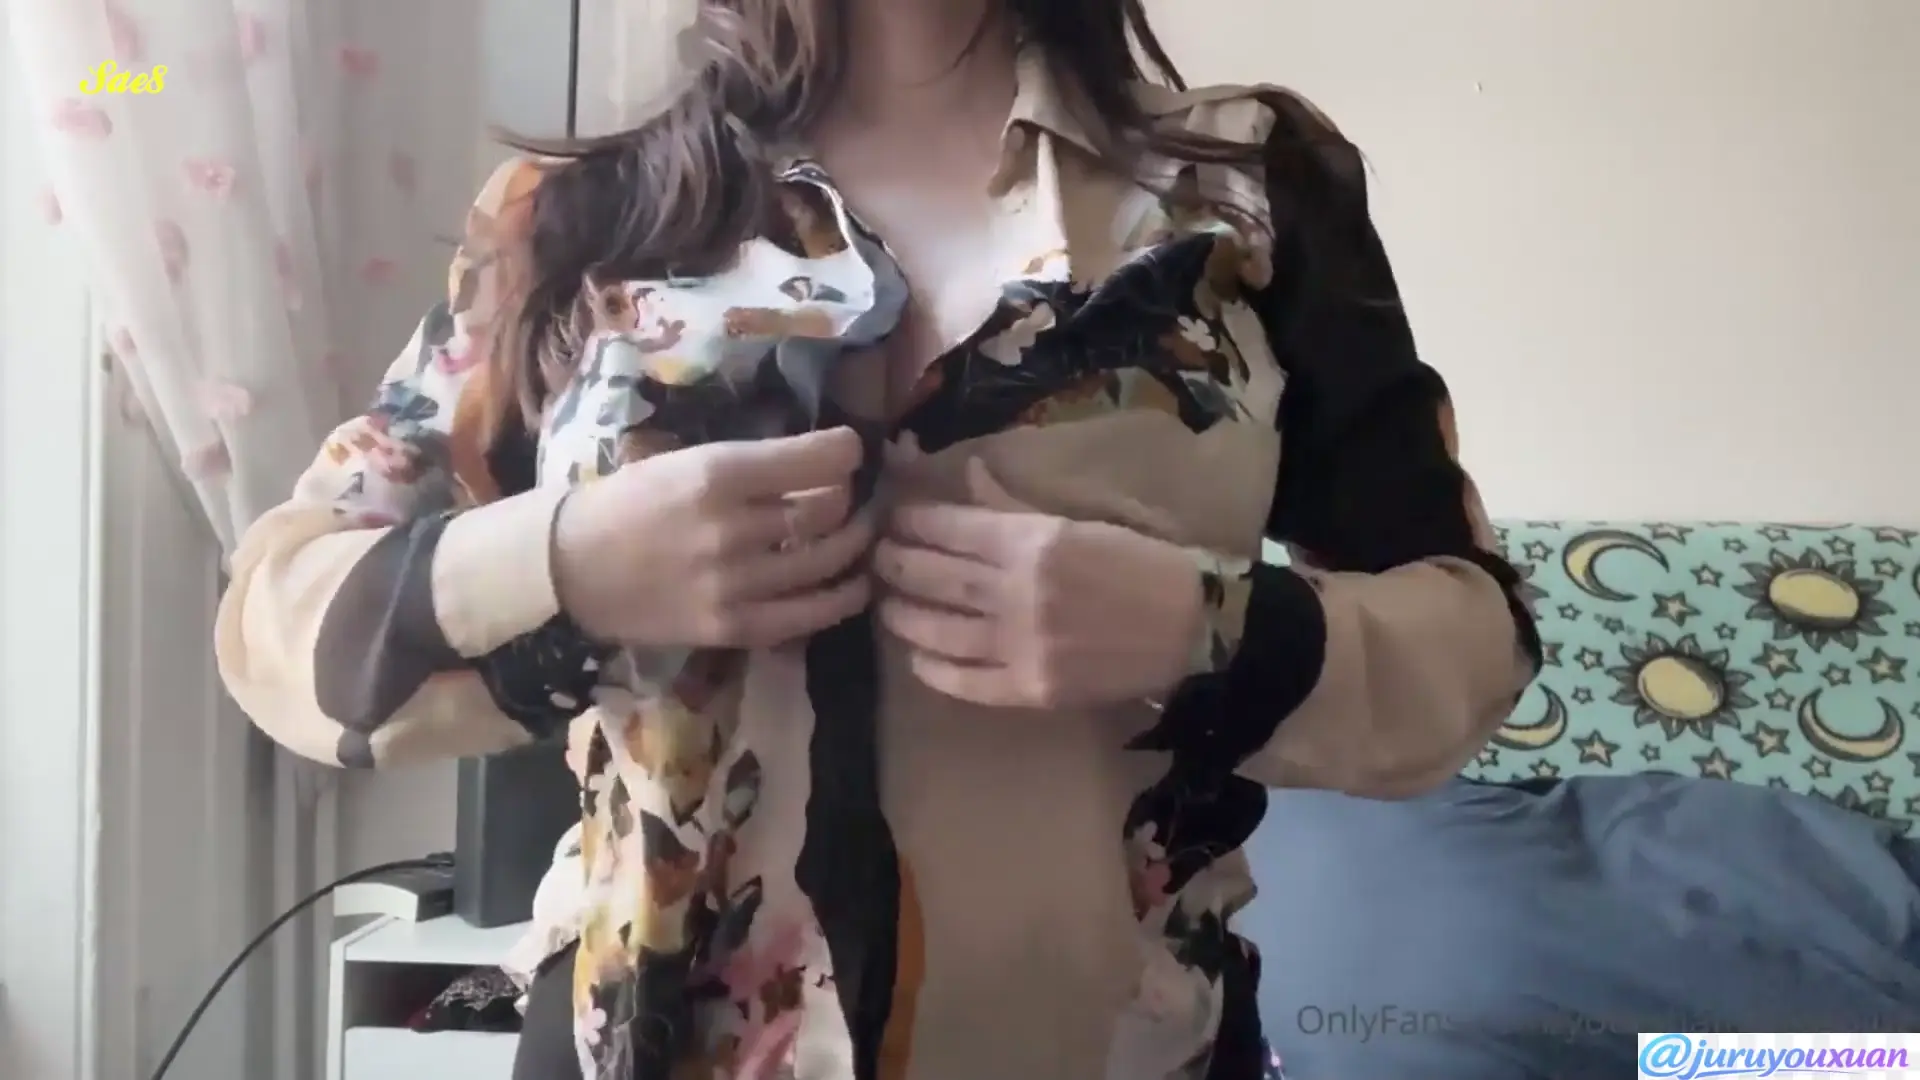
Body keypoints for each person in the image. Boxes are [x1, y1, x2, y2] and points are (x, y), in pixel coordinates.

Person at [214, 0, 1540, 1077]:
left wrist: (1197, 630)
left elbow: (1473, 642)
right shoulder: (572, 221)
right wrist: (573, 564)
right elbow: (280, 621)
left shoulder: (1249, 193)